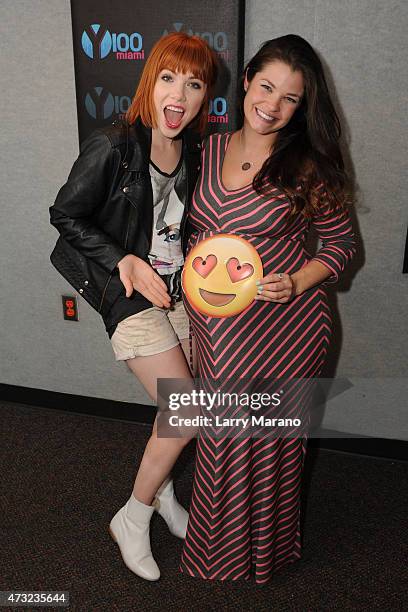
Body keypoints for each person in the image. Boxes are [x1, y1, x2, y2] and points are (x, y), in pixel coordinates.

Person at [180, 34, 357, 583]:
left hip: (287, 323)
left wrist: (297, 281)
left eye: (291, 98)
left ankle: (262, 553)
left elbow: (342, 246)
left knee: (267, 441)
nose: (273, 104)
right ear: (248, 81)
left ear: (303, 106)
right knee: (222, 436)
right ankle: (220, 549)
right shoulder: (205, 149)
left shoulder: (307, 164)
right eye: (266, 87)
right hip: (215, 322)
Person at [49, 32, 217, 581]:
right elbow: (64, 215)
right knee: (187, 410)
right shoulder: (114, 143)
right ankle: (133, 515)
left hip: (179, 292)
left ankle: (164, 495)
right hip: (129, 295)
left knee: (174, 410)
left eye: (193, 84)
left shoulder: (193, 147)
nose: (179, 94)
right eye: (168, 78)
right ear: (150, 82)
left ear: (204, 97)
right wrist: (121, 259)